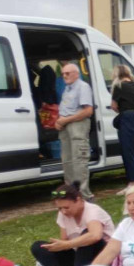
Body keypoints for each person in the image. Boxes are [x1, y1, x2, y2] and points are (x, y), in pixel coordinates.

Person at [31, 182, 115, 266]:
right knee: (38, 246)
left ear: (79, 200)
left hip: (102, 254)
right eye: (60, 208)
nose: (63, 211)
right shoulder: (63, 214)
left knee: (86, 236)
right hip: (80, 256)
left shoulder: (92, 211)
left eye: (66, 207)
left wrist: (67, 244)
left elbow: (95, 235)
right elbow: (65, 240)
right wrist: (58, 246)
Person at [55, 62, 95, 200]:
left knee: (79, 161)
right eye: (63, 74)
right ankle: (71, 195)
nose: (64, 76)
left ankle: (84, 196)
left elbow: (88, 111)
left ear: (76, 74)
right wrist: (59, 121)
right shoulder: (67, 89)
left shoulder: (82, 87)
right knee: (67, 161)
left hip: (77, 126)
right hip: (66, 127)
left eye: (67, 73)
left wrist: (66, 120)